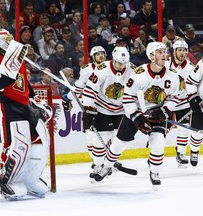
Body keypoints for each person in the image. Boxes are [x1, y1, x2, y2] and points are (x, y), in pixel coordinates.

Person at [93, 42, 180, 187]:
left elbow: (173, 97)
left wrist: (164, 111)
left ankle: (154, 171)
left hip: (157, 113)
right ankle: (107, 167)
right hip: (137, 111)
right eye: (160, 52)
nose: (164, 55)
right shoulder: (139, 74)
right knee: (118, 144)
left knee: (158, 143)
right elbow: (128, 97)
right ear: (151, 56)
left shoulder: (173, 76)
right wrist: (136, 116)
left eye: (164, 52)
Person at [0, 29, 53, 200]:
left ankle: (30, 179)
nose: (7, 43)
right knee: (13, 144)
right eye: (3, 40)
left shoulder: (17, 58)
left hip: (23, 104)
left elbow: (23, 82)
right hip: (5, 104)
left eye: (9, 39)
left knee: (39, 141)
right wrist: (12, 60)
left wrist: (34, 100)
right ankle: (6, 181)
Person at [81, 46, 136, 179]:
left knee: (120, 139)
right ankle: (99, 164)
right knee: (99, 140)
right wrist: (89, 108)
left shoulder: (132, 69)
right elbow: (89, 91)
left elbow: (139, 89)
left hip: (122, 109)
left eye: (124, 63)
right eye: (119, 63)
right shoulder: (102, 69)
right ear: (113, 59)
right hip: (102, 108)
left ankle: (108, 163)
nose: (121, 66)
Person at [62, 46, 107, 161]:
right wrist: (68, 98)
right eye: (97, 54)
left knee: (108, 133)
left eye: (102, 53)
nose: (100, 55)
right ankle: (95, 159)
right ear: (93, 57)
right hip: (90, 105)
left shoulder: (110, 68)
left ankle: (108, 158)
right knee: (89, 133)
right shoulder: (87, 70)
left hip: (107, 106)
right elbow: (78, 88)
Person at [164, 40, 195, 167]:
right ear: (174, 51)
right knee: (161, 131)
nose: (182, 53)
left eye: (184, 50)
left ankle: (180, 154)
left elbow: (196, 84)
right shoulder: (165, 65)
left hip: (183, 103)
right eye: (180, 50)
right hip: (166, 102)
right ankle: (155, 155)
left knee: (184, 129)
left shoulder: (191, 68)